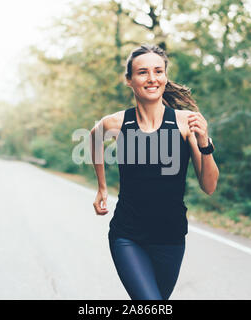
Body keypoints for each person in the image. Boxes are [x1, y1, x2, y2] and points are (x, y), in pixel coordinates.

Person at [90, 44, 219, 300]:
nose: (151, 78)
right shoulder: (117, 123)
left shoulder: (186, 123)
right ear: (129, 80)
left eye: (158, 71)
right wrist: (102, 187)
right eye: (142, 72)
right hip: (127, 236)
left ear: (165, 77)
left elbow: (209, 186)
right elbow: (93, 139)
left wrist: (204, 143)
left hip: (170, 237)